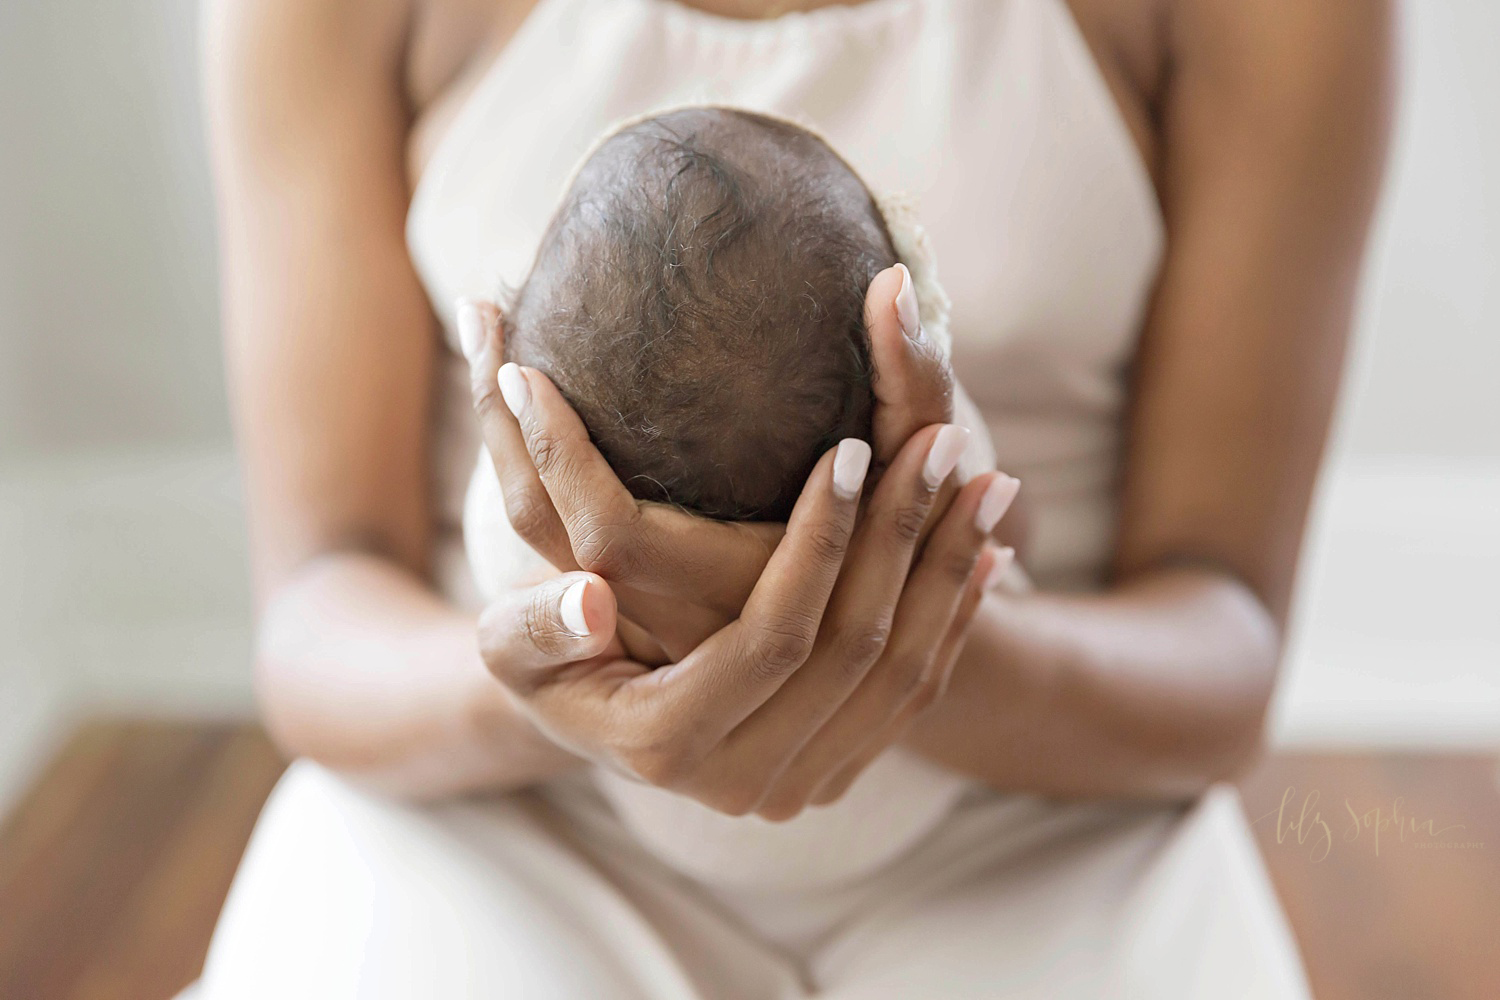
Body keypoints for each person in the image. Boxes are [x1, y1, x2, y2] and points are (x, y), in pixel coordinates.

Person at [198, 0, 1393, 995]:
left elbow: (1225, 642)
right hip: (506, 808)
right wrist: (548, 695)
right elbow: (316, 609)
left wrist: (915, 656)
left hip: (1043, 800)